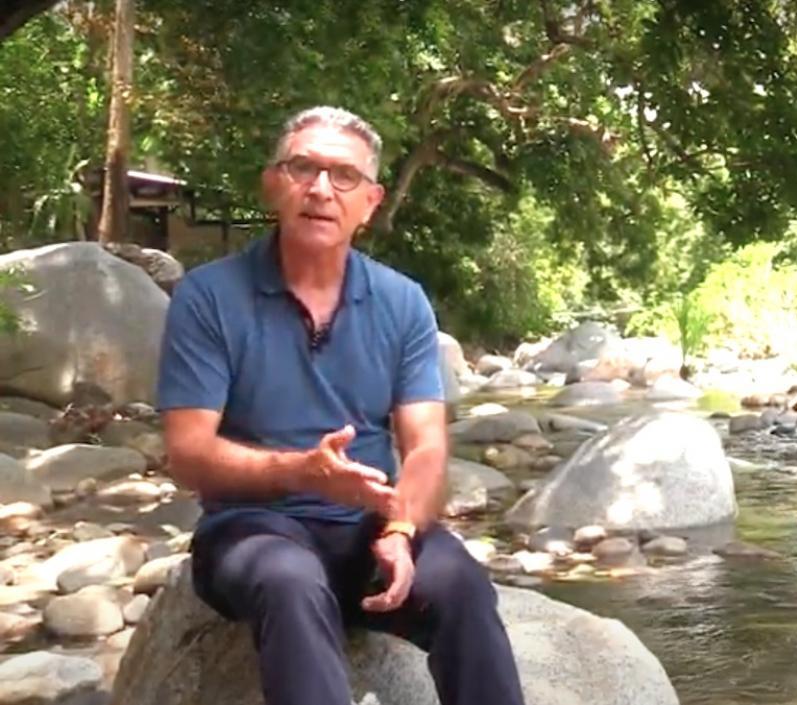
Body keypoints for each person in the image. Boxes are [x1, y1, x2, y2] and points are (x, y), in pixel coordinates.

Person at [155, 106, 526, 705]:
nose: (321, 189)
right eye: (303, 168)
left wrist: (402, 528)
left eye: (344, 176)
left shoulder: (401, 302)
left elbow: (427, 446)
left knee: (460, 584)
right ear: (273, 183)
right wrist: (301, 472)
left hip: (371, 527)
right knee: (290, 580)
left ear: (371, 202)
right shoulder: (209, 296)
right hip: (251, 529)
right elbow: (189, 455)